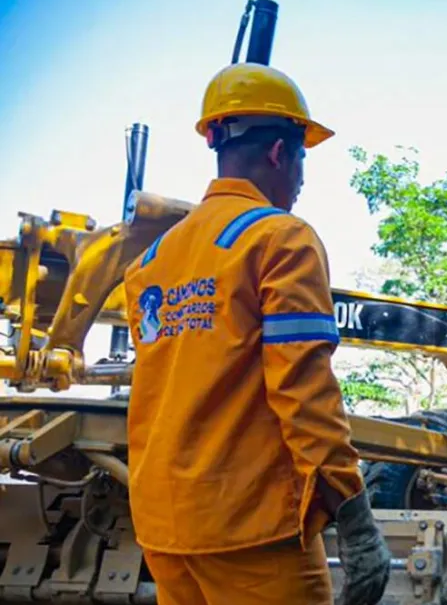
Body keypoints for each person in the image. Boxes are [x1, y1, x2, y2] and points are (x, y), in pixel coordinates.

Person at [123, 62, 390, 605]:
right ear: (278, 153)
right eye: (302, 161)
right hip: (250, 532)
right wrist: (354, 513)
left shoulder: (151, 261)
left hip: (165, 528)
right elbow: (302, 390)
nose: (300, 181)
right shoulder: (280, 239)